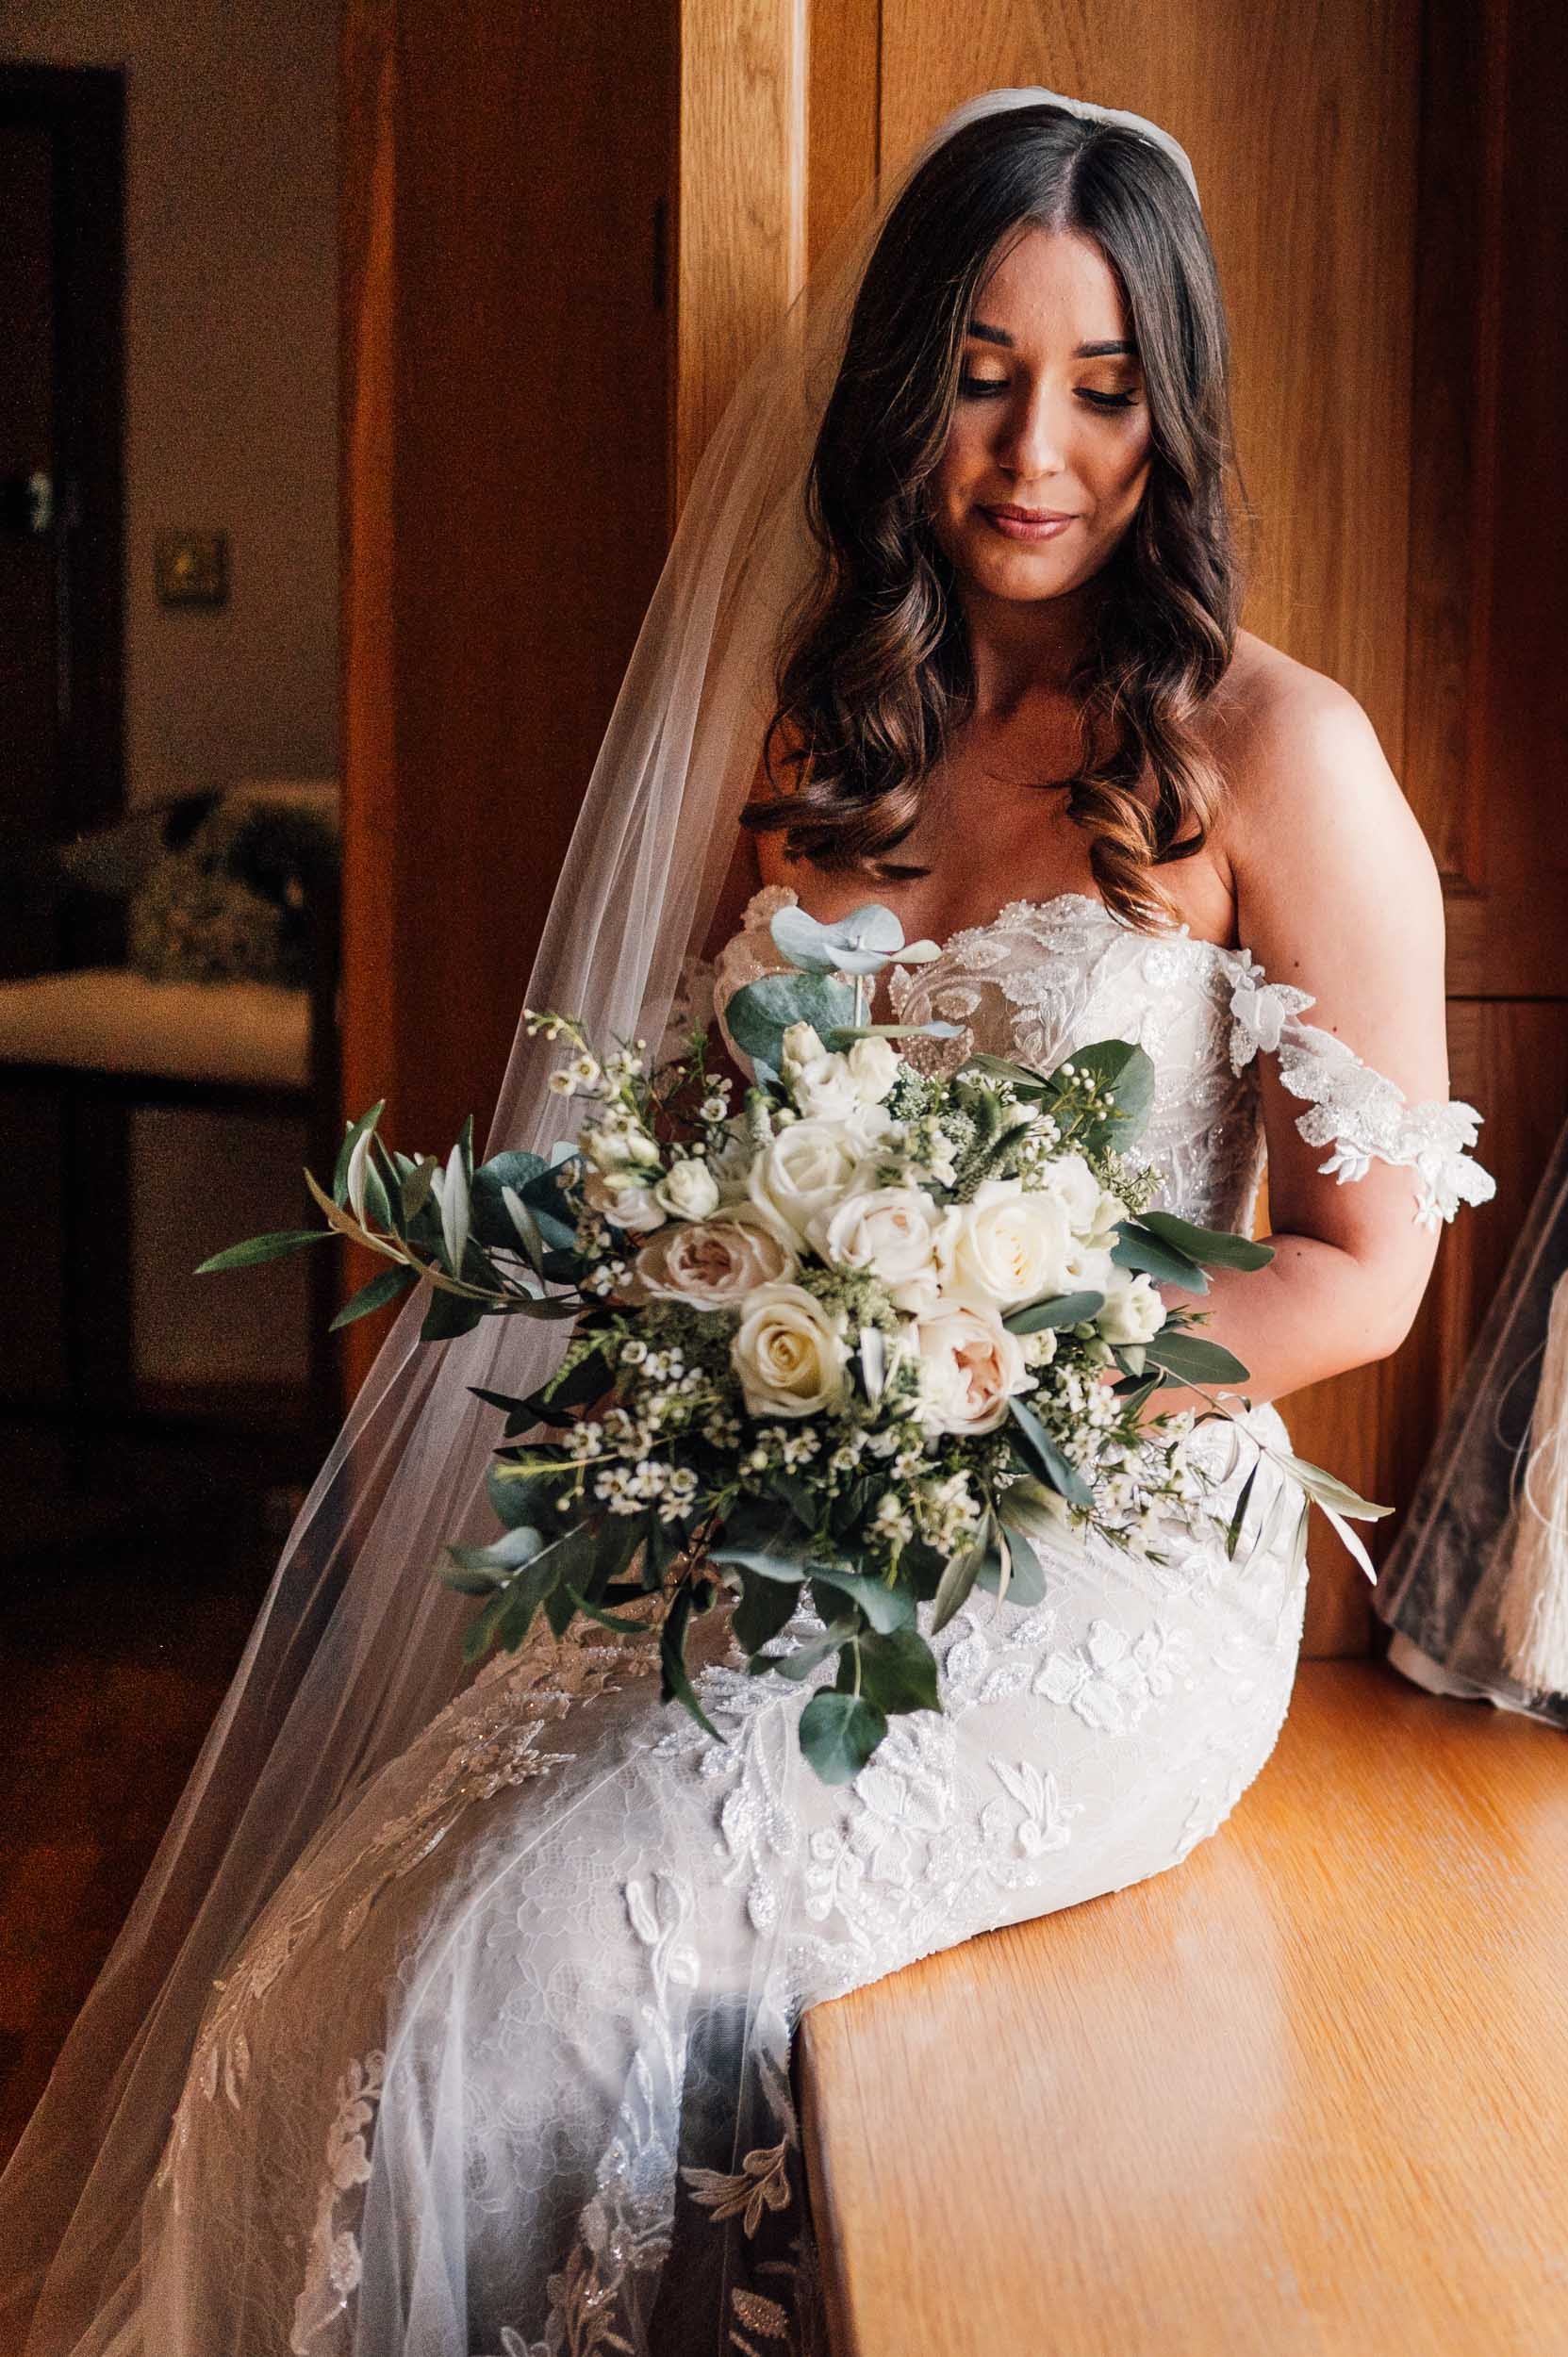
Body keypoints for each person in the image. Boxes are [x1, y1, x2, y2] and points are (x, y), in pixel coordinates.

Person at [0, 88, 1492, 2356]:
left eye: (1098, 385)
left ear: (1167, 407)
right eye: (981, 374)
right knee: (341, 1947)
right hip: (781, 1501)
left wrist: (995, 1365)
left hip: (1083, 1565)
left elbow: (1361, 1269)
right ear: (903, 386)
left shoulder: (1272, 755)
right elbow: (702, 1138)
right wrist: (740, 1319)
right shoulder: (832, 710)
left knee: (533, 1969)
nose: (1033, 449)